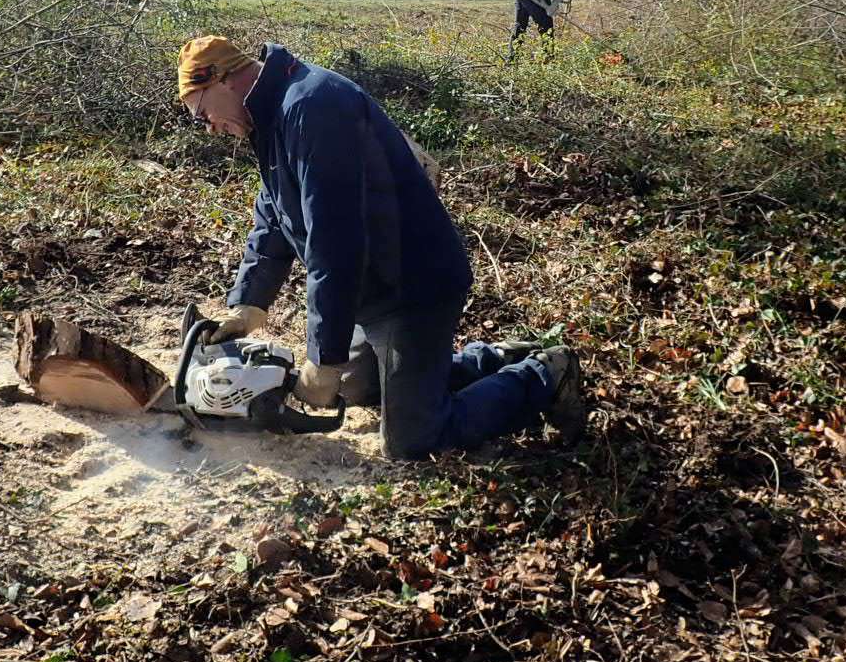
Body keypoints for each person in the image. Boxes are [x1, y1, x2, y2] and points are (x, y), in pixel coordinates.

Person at [177, 36, 584, 459]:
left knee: (414, 441)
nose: (208, 126)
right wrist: (248, 304)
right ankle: (491, 360)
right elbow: (273, 217)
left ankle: (544, 374)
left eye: (201, 113)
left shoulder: (313, 108)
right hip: (373, 288)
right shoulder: (271, 117)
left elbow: (336, 246)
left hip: (413, 285)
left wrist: (324, 359)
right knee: (356, 388)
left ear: (223, 79)